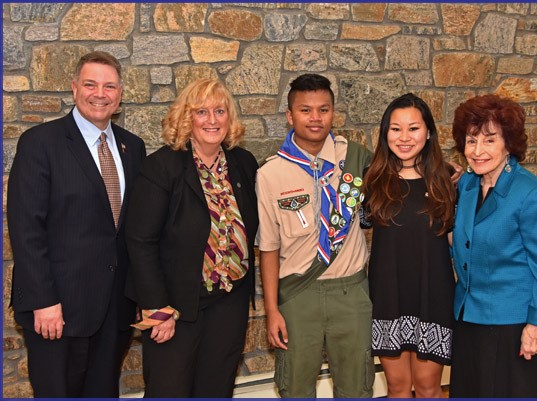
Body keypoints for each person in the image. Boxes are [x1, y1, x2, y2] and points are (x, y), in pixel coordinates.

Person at [7, 51, 146, 397]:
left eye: (109, 86)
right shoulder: (41, 143)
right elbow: (26, 230)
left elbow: (132, 229)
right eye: (91, 84)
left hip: (114, 310)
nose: (100, 93)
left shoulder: (134, 147)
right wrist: (44, 301)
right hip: (57, 310)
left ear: (120, 94)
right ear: (74, 88)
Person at [124, 78, 259, 398]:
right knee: (169, 390)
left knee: (217, 389)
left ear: (230, 117)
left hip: (229, 303)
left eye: (220, 111)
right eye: (202, 111)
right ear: (187, 117)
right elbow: (141, 241)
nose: (212, 120)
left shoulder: (243, 163)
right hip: (176, 308)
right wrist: (157, 310)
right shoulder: (161, 166)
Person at [256, 73, 375, 398]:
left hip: (350, 292)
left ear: (333, 112)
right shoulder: (270, 174)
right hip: (297, 296)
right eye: (306, 110)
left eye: (323, 109)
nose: (315, 118)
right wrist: (273, 310)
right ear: (290, 116)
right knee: (295, 388)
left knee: (356, 387)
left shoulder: (356, 159)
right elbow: (268, 248)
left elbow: (399, 183)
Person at [449, 94, 537, 397]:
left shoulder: (534, 195)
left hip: (514, 327)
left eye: (489, 140)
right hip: (469, 319)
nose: (477, 151)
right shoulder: (468, 185)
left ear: (508, 143)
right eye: (471, 140)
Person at [363, 93, 456, 398]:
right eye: (395, 128)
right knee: (398, 387)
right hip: (389, 296)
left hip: (434, 296)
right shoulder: (371, 180)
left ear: (428, 132)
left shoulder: (448, 180)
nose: (404, 138)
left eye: (413, 128)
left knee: (429, 387)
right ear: (385, 133)